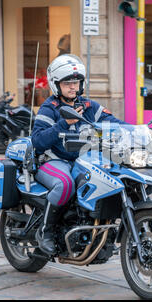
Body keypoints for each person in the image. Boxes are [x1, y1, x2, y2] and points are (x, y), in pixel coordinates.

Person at [31, 54, 125, 255]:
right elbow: (37, 140)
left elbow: (115, 122)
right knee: (65, 184)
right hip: (53, 161)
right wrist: (64, 123)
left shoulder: (89, 107)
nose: (73, 87)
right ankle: (45, 231)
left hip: (84, 161)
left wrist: (140, 130)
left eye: (76, 82)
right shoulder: (50, 107)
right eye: (67, 83)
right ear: (56, 84)